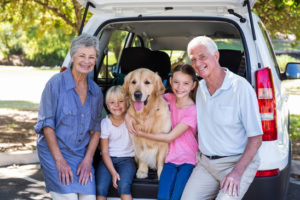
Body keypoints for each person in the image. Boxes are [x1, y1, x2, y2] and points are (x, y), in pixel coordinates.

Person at [181, 36, 263, 200]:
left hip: (236, 162)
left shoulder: (240, 88)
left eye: (203, 56)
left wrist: (237, 172)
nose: (198, 63)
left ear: (216, 56)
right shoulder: (200, 87)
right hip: (206, 164)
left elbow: (256, 138)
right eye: (194, 59)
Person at [34, 34, 103, 200]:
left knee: (89, 198)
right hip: (54, 152)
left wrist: (88, 160)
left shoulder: (96, 91)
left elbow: (96, 130)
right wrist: (59, 160)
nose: (87, 61)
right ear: (72, 57)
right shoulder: (55, 84)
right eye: (82, 56)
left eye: (91, 57)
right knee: (69, 197)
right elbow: (47, 126)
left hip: (81, 155)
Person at [129, 64, 198, 200]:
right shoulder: (168, 98)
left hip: (188, 159)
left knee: (177, 196)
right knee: (162, 196)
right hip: (169, 159)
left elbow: (169, 137)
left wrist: (140, 133)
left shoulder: (192, 110)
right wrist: (127, 117)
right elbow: (142, 104)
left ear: (193, 85)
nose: (180, 87)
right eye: (176, 82)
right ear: (170, 81)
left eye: (185, 83)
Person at [96, 86, 136, 200]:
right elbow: (104, 152)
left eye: (121, 101)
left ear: (127, 102)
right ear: (107, 106)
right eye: (112, 102)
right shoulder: (105, 123)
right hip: (107, 159)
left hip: (127, 159)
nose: (116, 105)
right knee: (100, 188)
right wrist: (113, 173)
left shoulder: (131, 120)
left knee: (123, 186)